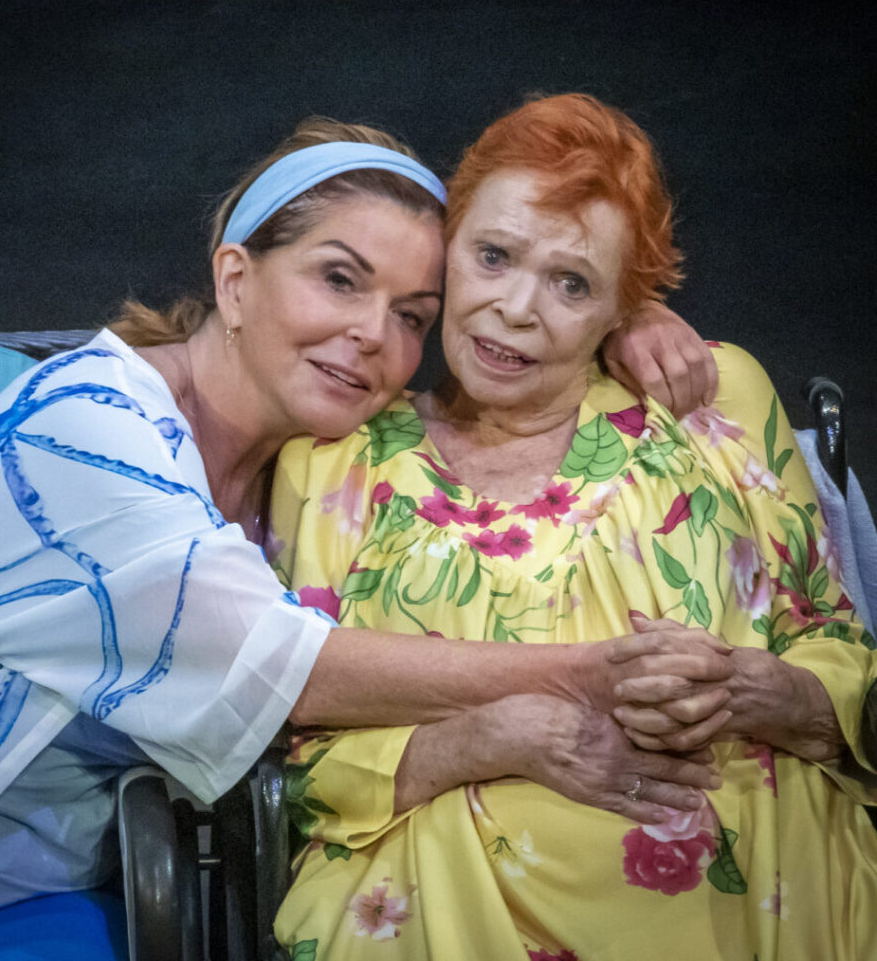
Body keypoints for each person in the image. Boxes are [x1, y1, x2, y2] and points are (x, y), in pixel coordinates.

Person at [0, 116, 723, 959]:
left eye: (414, 314)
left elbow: (512, 324)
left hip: (23, 889)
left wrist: (623, 323)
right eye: (339, 279)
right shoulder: (93, 430)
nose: (373, 336)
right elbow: (294, 672)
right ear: (235, 279)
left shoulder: (314, 463)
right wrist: (591, 675)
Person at [269, 95, 877, 960]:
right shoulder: (334, 460)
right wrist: (482, 742)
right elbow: (288, 765)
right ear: (444, 254)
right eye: (492, 256)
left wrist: (768, 692)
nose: (517, 309)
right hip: (450, 909)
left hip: (766, 900)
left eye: (572, 283)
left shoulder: (713, 397)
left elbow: (838, 643)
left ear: (618, 309)